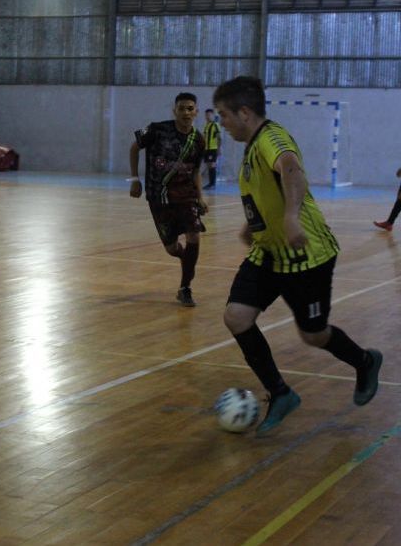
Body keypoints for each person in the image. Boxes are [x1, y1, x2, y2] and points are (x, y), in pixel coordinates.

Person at [213, 76, 382, 434]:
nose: (221, 123)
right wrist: (252, 225)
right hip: (269, 252)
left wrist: (291, 216)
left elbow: (291, 169)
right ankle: (281, 393)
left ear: (244, 113)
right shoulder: (251, 144)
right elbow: (263, 189)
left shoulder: (273, 138)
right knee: (237, 317)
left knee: (313, 335)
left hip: (307, 255)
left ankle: (365, 361)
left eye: (224, 115)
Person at [129, 92, 207, 306]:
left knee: (194, 236)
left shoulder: (199, 140)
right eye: (181, 108)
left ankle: (185, 288)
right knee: (172, 248)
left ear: (196, 112)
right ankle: (185, 258)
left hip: (186, 197)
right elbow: (134, 147)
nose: (186, 112)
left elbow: (196, 171)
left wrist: (200, 197)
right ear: (175, 111)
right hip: (159, 198)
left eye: (190, 108)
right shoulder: (156, 130)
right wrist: (135, 179)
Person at [202, 108, 221, 190]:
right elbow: (204, 137)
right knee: (209, 165)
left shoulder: (215, 125)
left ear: (212, 115)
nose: (208, 116)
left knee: (212, 164)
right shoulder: (206, 125)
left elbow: (219, 138)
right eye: (206, 115)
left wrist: (219, 149)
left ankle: (212, 184)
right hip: (207, 148)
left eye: (209, 115)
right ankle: (210, 183)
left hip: (213, 148)